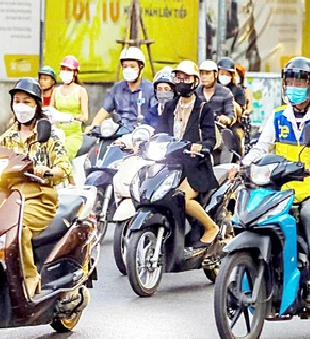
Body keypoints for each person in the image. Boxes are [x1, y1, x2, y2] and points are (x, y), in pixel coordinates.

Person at [236, 57, 310, 303]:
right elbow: (261, 147)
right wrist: (242, 165)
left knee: (308, 215)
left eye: (301, 81)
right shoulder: (277, 117)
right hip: (281, 190)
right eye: (290, 81)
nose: (294, 86)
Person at [1, 79, 72, 296]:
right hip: (11, 198)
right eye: (17, 101)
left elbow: (64, 168)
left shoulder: (49, 136)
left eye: (27, 102)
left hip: (40, 199)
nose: (21, 106)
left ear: (37, 105)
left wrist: (46, 171)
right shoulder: (7, 136)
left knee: (17, 228)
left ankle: (30, 278)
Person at [153, 60, 221, 243]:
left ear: (195, 81)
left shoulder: (203, 108)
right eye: (178, 76)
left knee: (182, 197)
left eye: (186, 77)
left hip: (195, 164)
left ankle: (211, 226)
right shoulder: (170, 106)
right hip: (169, 163)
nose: (181, 80)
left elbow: (210, 138)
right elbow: (159, 132)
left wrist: (202, 146)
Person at [86, 47, 154, 132]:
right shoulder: (117, 88)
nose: (128, 70)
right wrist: (93, 125)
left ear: (141, 68)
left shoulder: (150, 89)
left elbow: (155, 114)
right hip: (119, 131)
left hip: (141, 133)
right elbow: (105, 110)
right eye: (125, 66)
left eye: (133, 66)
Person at [51, 55, 88, 163]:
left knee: (63, 154)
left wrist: (73, 118)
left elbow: (85, 116)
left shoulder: (80, 91)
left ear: (75, 73)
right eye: (63, 69)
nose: (65, 72)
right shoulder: (56, 91)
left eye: (69, 70)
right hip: (56, 132)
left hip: (73, 134)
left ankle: (71, 180)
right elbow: (50, 111)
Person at [197, 59, 235, 128]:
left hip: (219, 132)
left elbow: (231, 114)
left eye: (207, 73)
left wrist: (226, 119)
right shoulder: (195, 93)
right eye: (202, 73)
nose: (204, 76)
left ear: (215, 74)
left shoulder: (226, 93)